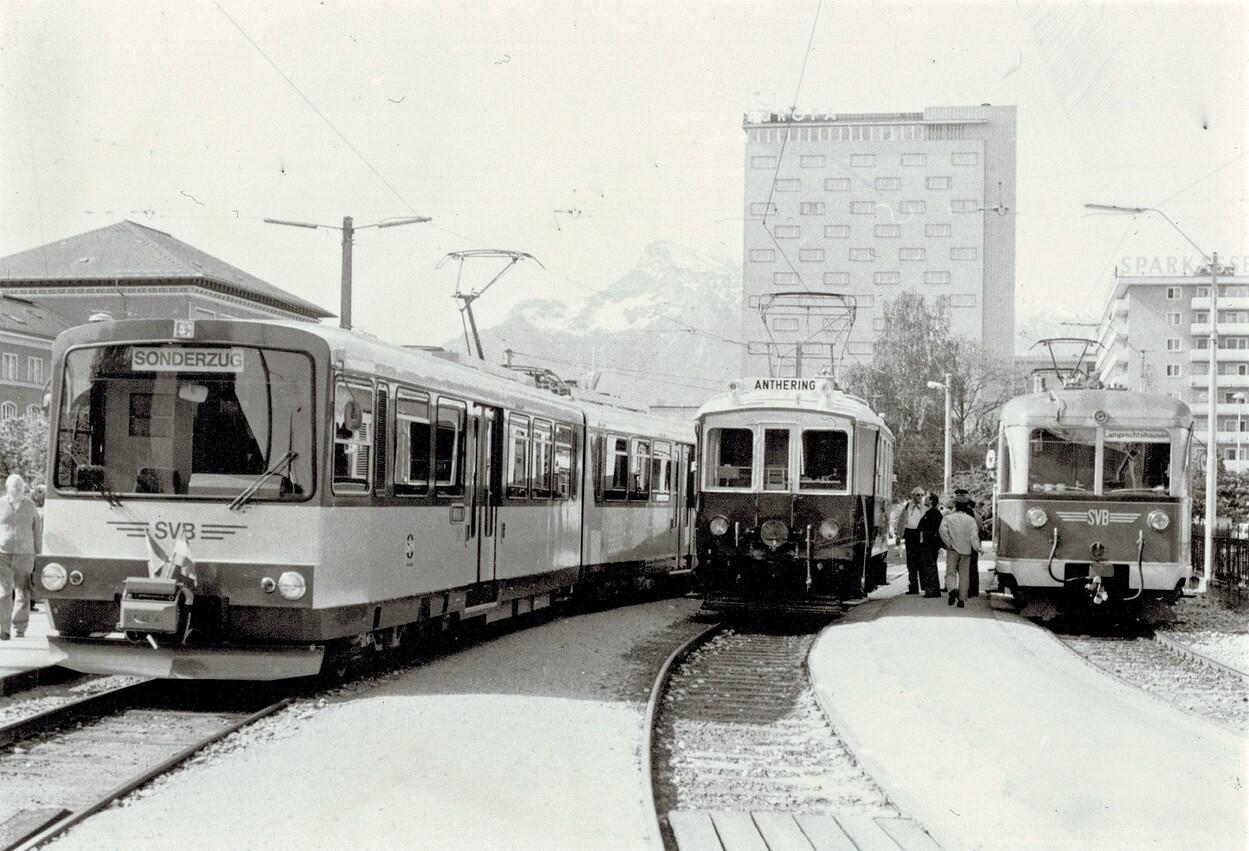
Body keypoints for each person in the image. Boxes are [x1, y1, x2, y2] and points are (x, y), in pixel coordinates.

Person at [0, 474, 42, 639]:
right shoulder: (1, 504)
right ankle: (3, 629)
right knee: (3, 592)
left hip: (25, 554)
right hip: (3, 553)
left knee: (22, 592)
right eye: (14, 486)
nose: (17, 489)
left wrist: (38, 554)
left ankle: (19, 628)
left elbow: (37, 530)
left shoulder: (30, 505)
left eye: (20, 486)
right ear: (7, 488)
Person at [938, 494, 981, 608]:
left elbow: (942, 531)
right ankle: (961, 599)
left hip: (952, 550)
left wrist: (949, 543)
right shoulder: (971, 520)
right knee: (964, 575)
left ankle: (952, 590)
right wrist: (977, 548)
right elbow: (974, 536)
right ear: (966, 506)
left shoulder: (948, 518)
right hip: (966, 551)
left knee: (950, 572)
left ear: (956, 505)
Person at [899, 487, 929, 594]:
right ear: (913, 496)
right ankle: (913, 587)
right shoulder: (907, 507)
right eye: (917, 495)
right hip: (909, 534)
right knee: (911, 562)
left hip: (920, 535)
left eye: (921, 495)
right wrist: (899, 535)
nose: (920, 497)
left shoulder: (925, 509)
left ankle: (924, 586)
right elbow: (902, 522)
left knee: (921, 561)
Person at [954, 489, 983, 598]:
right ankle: (974, 589)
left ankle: (967, 589)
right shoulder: (976, 514)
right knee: (973, 567)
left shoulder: (965, 514)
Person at [917, 492, 944, 597]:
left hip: (930, 544)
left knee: (930, 566)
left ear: (932, 500)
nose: (924, 499)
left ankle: (932, 589)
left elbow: (932, 528)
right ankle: (932, 589)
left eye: (927, 498)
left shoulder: (934, 513)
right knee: (929, 565)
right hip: (929, 543)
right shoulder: (931, 512)